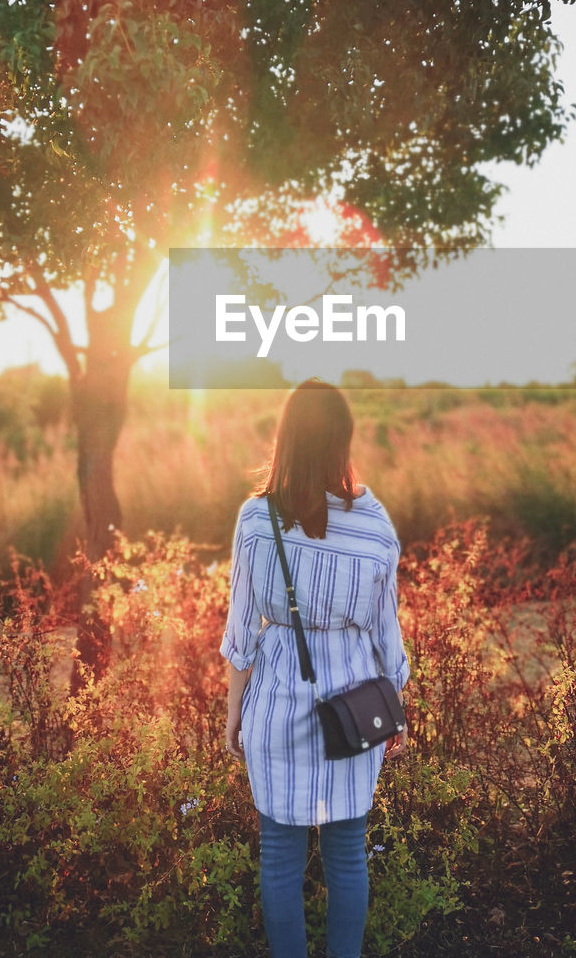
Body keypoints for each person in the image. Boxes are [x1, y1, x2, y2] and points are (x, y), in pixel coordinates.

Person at [221, 378, 409, 958]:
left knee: (280, 856)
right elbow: (389, 642)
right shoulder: (375, 523)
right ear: (343, 441)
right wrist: (396, 710)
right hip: (354, 713)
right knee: (348, 854)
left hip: (274, 706)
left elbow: (239, 636)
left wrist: (234, 715)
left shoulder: (257, 519)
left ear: (287, 438)